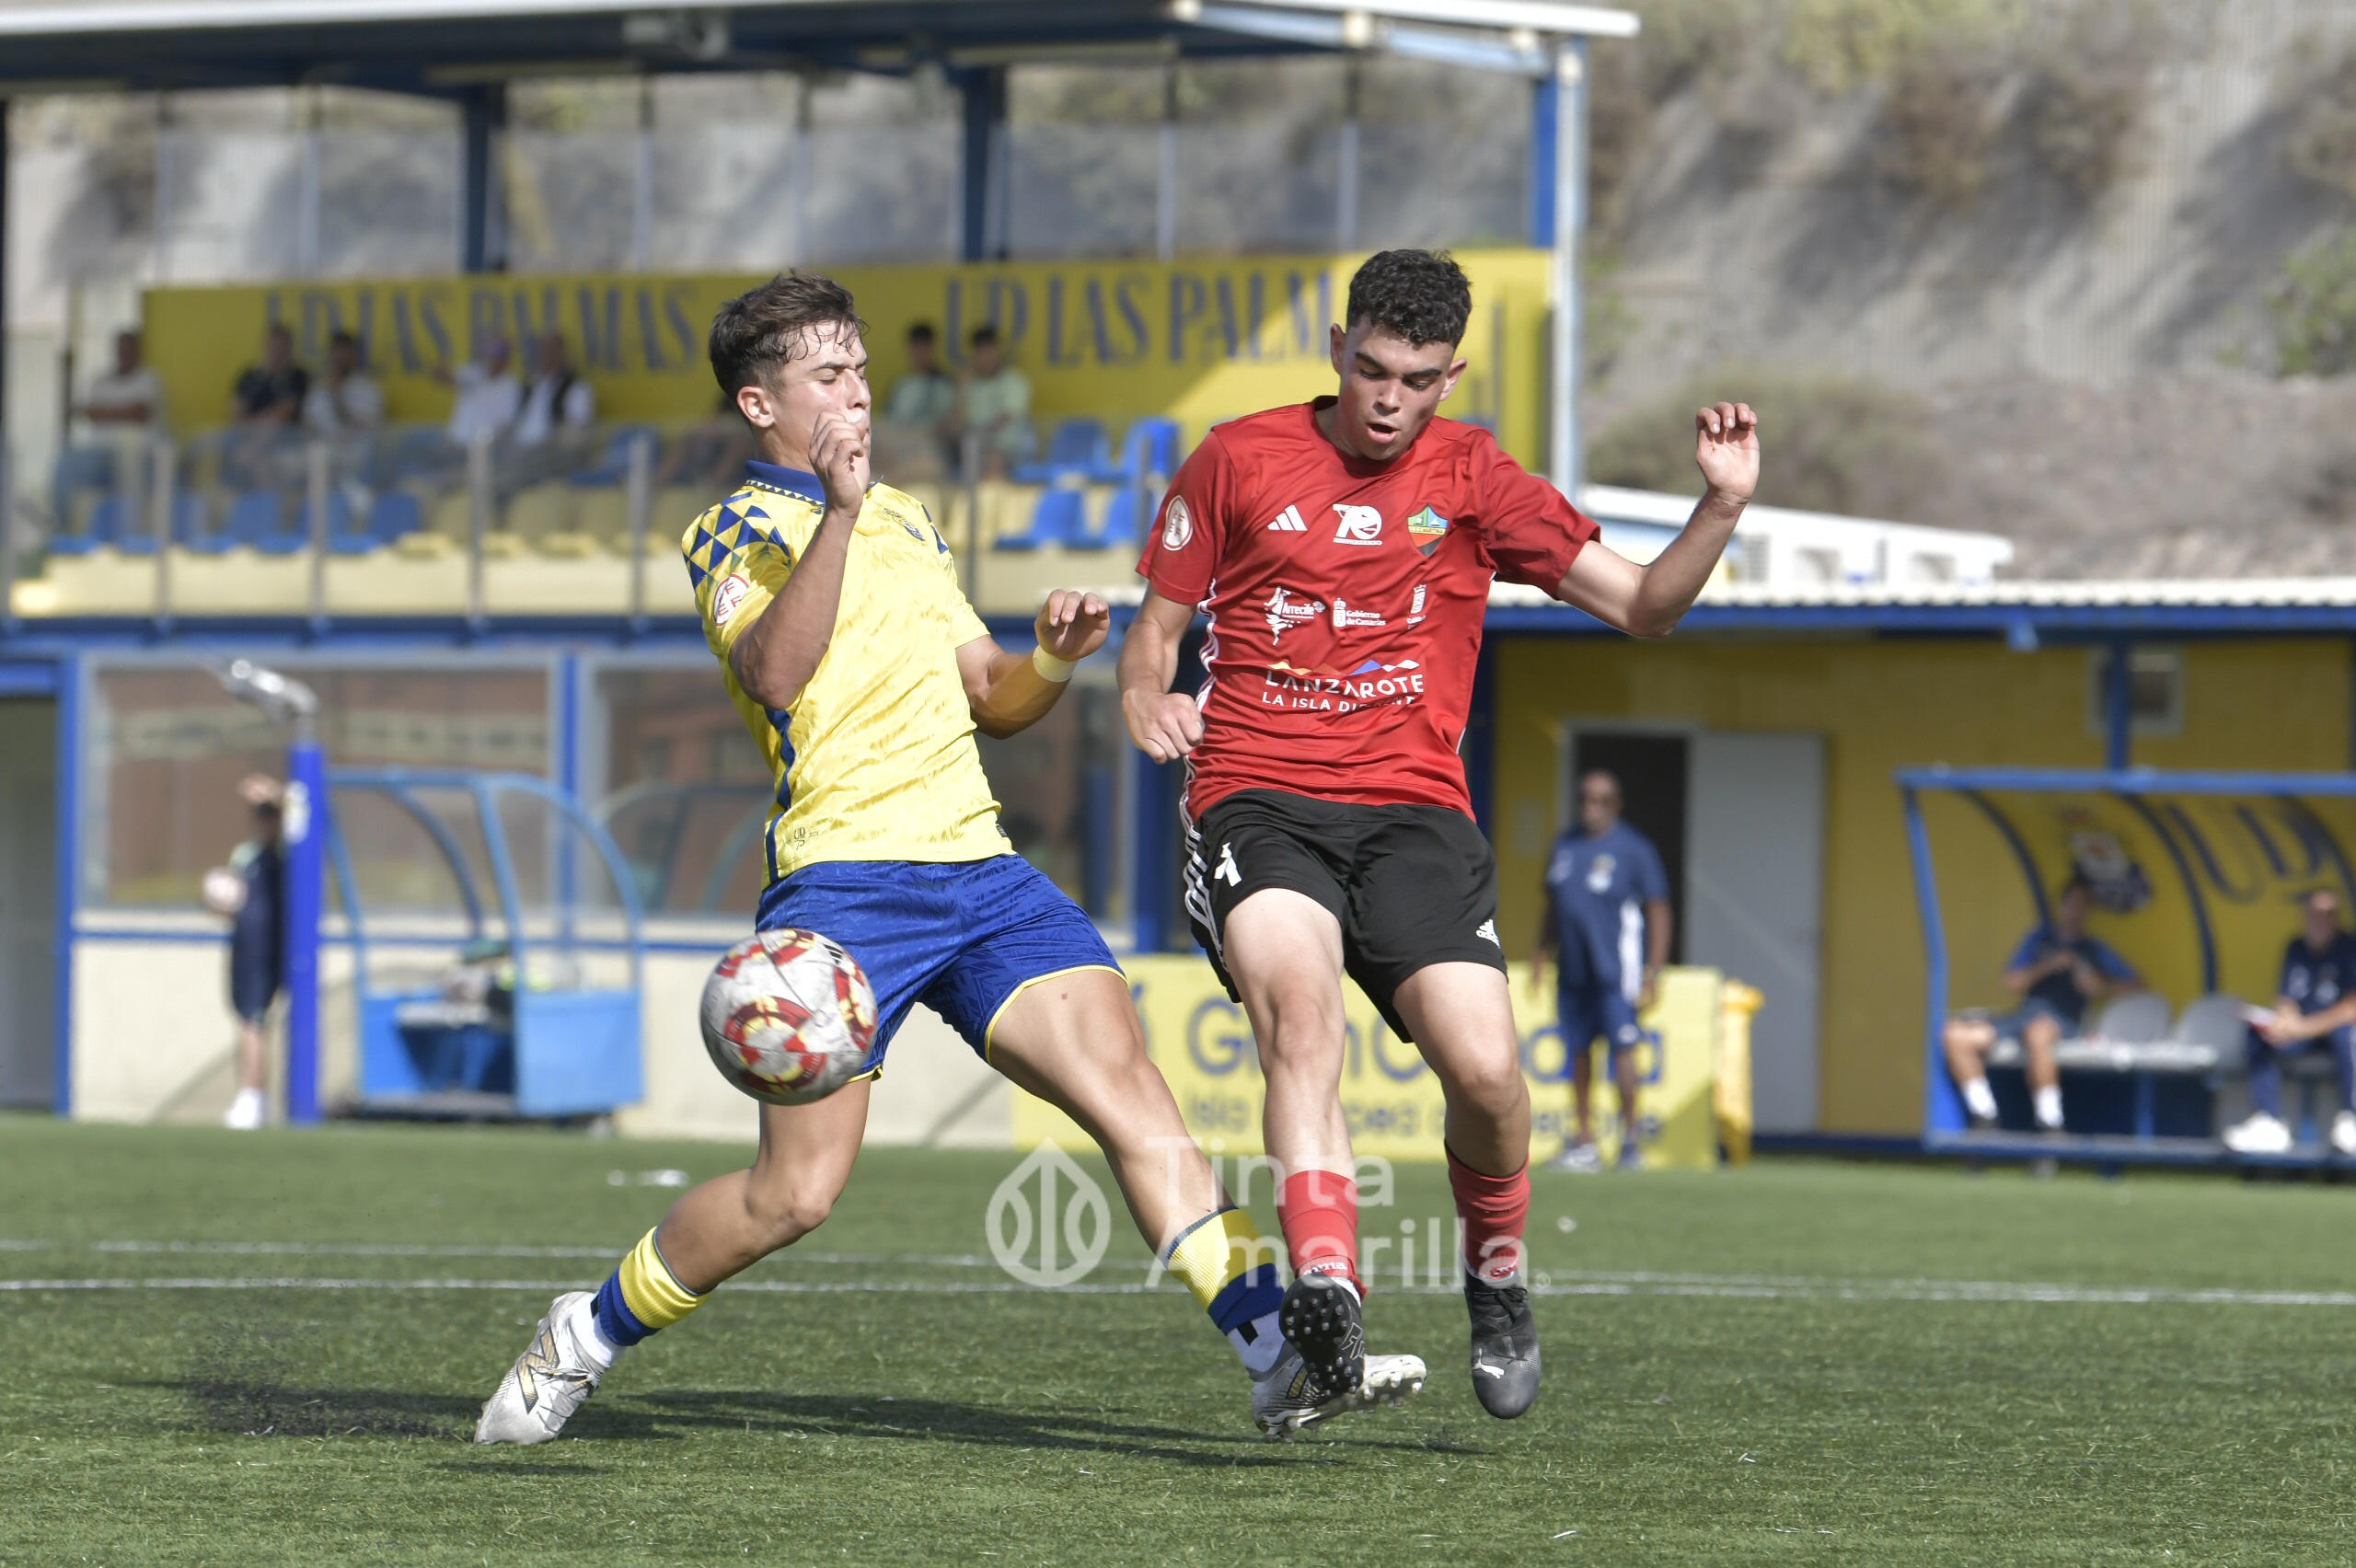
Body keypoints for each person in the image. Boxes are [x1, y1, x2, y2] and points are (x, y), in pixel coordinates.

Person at [475, 272, 1425, 1448]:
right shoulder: (732, 527)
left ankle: (1274, 1356)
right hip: (843, 885)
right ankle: (584, 1332)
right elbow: (775, 674)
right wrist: (835, 511)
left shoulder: (909, 518)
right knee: (794, 1197)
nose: (857, 393)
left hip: (981, 871)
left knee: (1133, 1097)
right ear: (760, 404)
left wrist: (1053, 657)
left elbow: (991, 699)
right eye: (828, 375)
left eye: (860, 370)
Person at [1117, 248, 1759, 1423]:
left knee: (1489, 1076)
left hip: (1413, 814)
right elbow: (1155, 632)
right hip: (1256, 794)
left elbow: (1644, 607)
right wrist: (1143, 696)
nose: (1387, 399)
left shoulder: (1474, 476)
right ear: (1336, 349)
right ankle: (1330, 1285)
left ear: (1449, 377)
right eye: (1370, 369)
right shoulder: (1236, 458)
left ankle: (1496, 1276)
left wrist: (1719, 504)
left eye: (1416, 380)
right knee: (1300, 1019)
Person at [1533, 768, 1672, 1173]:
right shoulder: (1566, 845)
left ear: (1616, 804)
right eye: (1584, 798)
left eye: (1600, 800)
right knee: (1578, 1052)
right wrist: (1541, 951)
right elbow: (1554, 905)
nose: (1590, 807)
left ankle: (1631, 1140)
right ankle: (1584, 1140)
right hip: (1572, 970)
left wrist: (1654, 969)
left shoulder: (1634, 849)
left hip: (1615, 972)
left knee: (1623, 1049)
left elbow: (1658, 909)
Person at [1943, 877, 2141, 1137]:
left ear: (2089, 910)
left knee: (2038, 1033)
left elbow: (2136, 985)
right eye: (2072, 903)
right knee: (1955, 1034)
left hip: (2064, 1022)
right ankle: (1985, 1116)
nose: (2076, 910)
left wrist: (2098, 985)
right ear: (2061, 906)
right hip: (2023, 1017)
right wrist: (2049, 965)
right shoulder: (2039, 940)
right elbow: (2010, 982)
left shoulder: (2093, 949)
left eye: (2083, 904)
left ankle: (2051, 1124)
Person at [2223, 888, 2356, 1156]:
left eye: (2328, 914)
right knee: (2259, 1032)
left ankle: (2351, 1118)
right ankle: (2269, 1121)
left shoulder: (2349, 947)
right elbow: (2286, 998)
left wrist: (2302, 1028)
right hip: (2302, 1035)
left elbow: (2351, 1008)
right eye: (2315, 913)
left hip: (2333, 1034)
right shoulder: (2295, 947)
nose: (2321, 920)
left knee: (2348, 1034)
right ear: (2306, 916)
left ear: (2336, 918)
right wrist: (2284, 1022)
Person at [202, 776, 285, 1132]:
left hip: (273, 948)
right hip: (246, 948)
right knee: (248, 1021)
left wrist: (276, 795)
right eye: (261, 814)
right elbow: (229, 904)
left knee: (255, 1023)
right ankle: (253, 1097)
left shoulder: (286, 852)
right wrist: (219, 902)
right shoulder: (245, 855)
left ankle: (253, 1098)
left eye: (271, 814)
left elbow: (299, 815)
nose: (267, 821)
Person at [876, 321, 960, 478]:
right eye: (916, 348)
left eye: (924, 347)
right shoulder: (901, 384)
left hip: (927, 447)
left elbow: (948, 426)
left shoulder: (945, 383)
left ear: (932, 349)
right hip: (897, 443)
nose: (920, 353)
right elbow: (888, 420)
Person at [953, 324, 1033, 478]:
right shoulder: (970, 384)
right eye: (980, 351)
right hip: (969, 448)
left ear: (998, 351)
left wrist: (976, 435)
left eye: (989, 350)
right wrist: (960, 393)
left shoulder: (1014, 381)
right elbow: (955, 423)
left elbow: (1006, 418)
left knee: (993, 456)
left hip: (1007, 450)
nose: (985, 356)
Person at [513, 331, 595, 449]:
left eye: (549, 350)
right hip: (519, 447)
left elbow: (579, 428)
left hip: (550, 452)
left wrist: (551, 442)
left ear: (561, 353)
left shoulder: (577, 388)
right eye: (541, 351)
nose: (544, 356)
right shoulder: (530, 386)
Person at [440, 334, 522, 449]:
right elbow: (446, 377)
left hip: (483, 448)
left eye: (499, 353)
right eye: (491, 352)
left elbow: (507, 423)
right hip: (455, 441)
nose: (494, 358)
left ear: (507, 358)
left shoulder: (512, 385)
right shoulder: (473, 372)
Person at [77, 329, 163, 433]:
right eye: (122, 349)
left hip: (142, 442)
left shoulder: (149, 379)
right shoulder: (100, 381)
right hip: (101, 441)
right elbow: (89, 412)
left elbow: (139, 413)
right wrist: (126, 411)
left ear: (137, 351)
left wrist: (103, 411)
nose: (125, 354)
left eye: (129, 350)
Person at [301, 330, 384, 436]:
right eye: (336, 351)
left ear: (354, 355)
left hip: (355, 446)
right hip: (323, 445)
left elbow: (368, 429)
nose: (341, 357)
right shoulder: (318, 391)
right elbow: (308, 425)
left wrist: (338, 400)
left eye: (345, 351)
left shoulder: (369, 390)